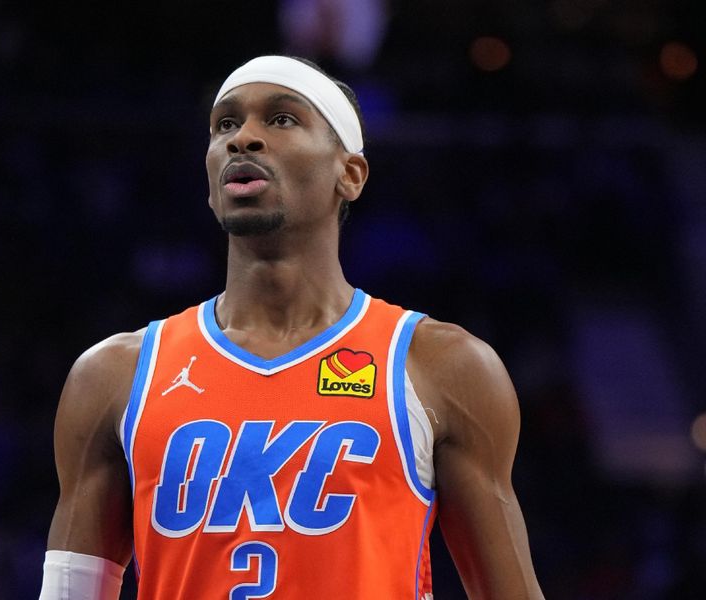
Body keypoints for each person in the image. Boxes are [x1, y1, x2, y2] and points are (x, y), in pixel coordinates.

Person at [39, 55, 545, 600]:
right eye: (225, 125)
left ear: (349, 175)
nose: (243, 140)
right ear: (210, 183)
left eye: (280, 119)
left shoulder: (441, 366)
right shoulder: (115, 374)